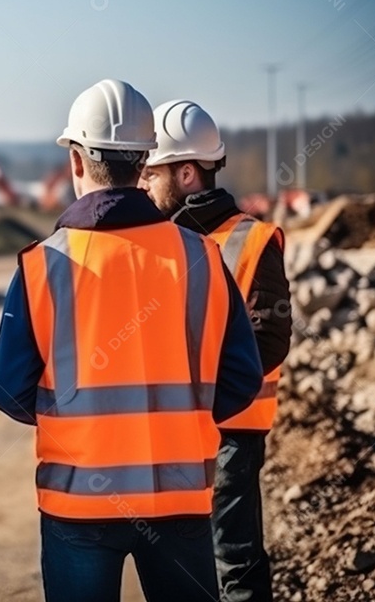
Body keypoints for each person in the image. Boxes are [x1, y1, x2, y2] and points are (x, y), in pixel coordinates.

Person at [0, 78, 264, 602]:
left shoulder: (44, 263)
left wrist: (70, 421)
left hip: (79, 502)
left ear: (75, 161)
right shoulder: (201, 256)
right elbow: (242, 379)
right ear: (144, 162)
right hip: (180, 498)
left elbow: (6, 387)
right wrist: (184, 425)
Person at [140, 100, 292, 602]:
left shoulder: (251, 239)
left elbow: (269, 339)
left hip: (230, 433)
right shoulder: (160, 239)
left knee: (233, 565)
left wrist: (201, 397)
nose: (142, 183)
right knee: (185, 570)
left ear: (187, 173)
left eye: (151, 173)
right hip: (174, 431)